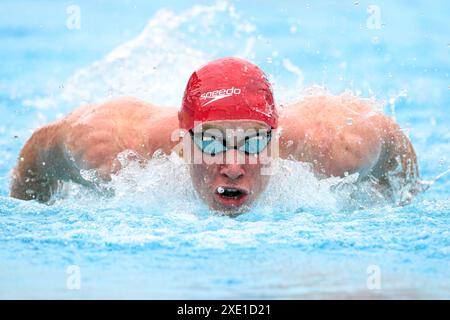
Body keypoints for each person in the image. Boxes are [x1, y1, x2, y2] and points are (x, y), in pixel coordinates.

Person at [10, 57, 419, 214]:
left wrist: (401, 203)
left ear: (276, 137)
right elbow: (38, 155)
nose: (234, 166)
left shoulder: (337, 144)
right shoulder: (111, 146)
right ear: (182, 139)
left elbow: (396, 152)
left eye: (254, 142)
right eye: (211, 142)